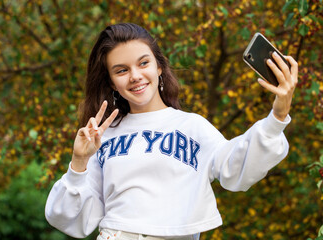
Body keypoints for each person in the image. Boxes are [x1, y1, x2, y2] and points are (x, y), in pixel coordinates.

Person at [45, 23, 298, 240]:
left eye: (143, 63)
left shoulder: (192, 126)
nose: (135, 76)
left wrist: (277, 116)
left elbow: (237, 169)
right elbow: (70, 218)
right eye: (121, 70)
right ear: (112, 82)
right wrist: (78, 162)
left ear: (158, 67)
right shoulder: (103, 136)